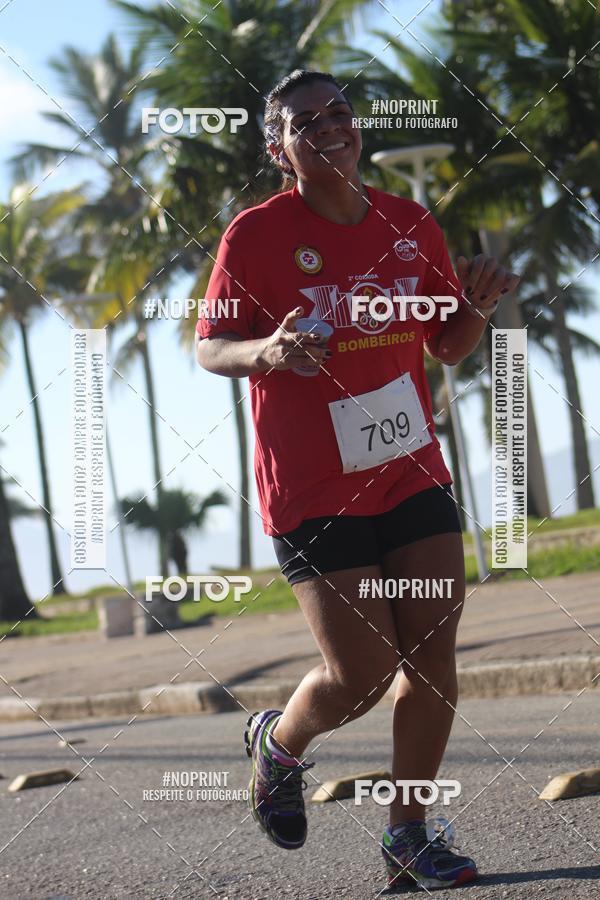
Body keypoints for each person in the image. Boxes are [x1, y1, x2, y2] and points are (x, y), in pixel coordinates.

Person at [195, 69, 519, 892]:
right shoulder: (256, 237)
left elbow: (445, 344)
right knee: (363, 675)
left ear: (357, 126)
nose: (328, 128)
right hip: (312, 485)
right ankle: (279, 744)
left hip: (410, 470)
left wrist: (476, 304)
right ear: (280, 149)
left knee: (435, 662)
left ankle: (408, 835)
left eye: (338, 113)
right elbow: (209, 348)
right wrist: (266, 351)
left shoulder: (410, 223)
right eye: (305, 122)